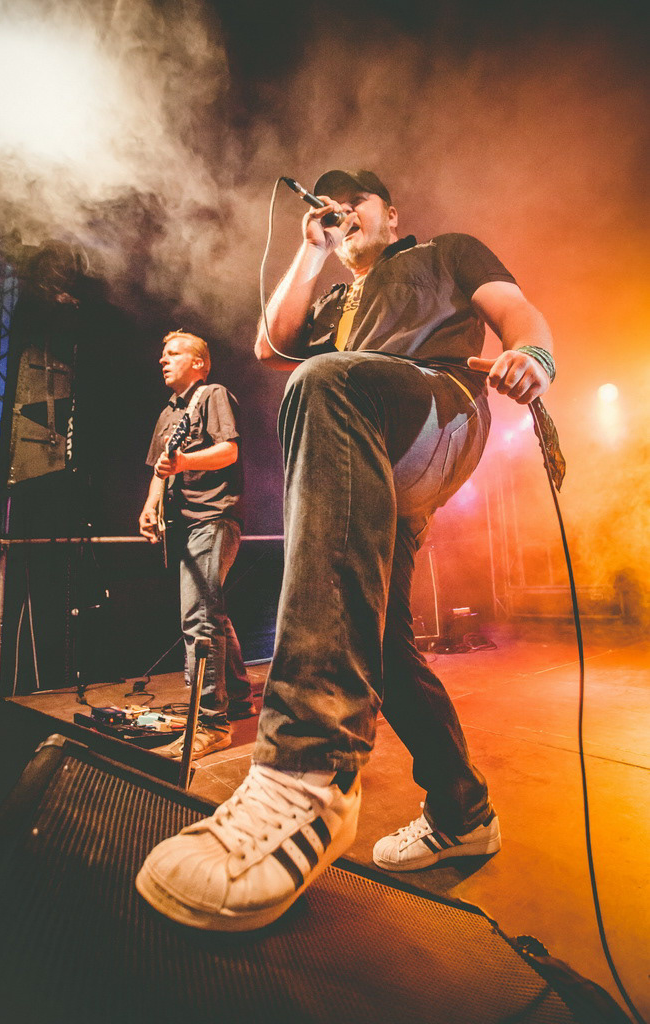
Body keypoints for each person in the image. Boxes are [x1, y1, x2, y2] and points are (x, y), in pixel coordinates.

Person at [136, 171, 554, 931]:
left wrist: (534, 353)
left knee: (324, 383)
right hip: (373, 457)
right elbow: (270, 345)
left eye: (355, 199)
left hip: (438, 409)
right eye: (328, 202)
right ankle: (464, 814)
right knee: (384, 643)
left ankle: (307, 767)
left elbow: (515, 310)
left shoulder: (443, 254)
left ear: (391, 214)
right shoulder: (335, 301)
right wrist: (311, 250)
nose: (340, 210)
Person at [138, 330, 254, 759]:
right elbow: (160, 468)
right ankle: (238, 699)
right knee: (211, 611)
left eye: (173, 353)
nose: (163, 360)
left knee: (198, 618)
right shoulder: (168, 413)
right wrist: (150, 505)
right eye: (162, 354)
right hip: (184, 524)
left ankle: (211, 723)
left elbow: (228, 451)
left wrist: (185, 460)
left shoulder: (212, 395)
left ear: (199, 363)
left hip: (214, 516)